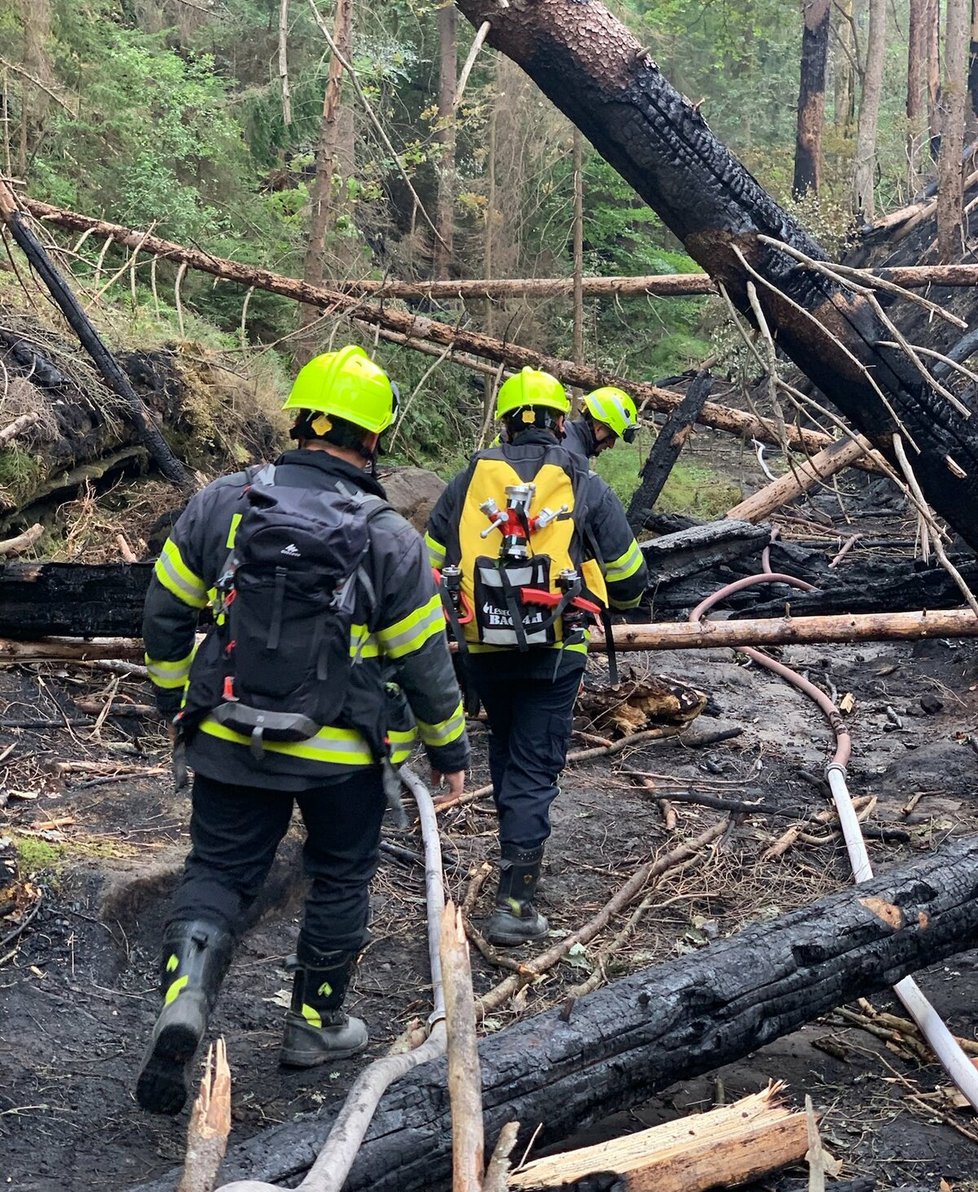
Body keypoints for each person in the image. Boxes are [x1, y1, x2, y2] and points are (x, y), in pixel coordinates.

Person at [137, 345, 469, 1115]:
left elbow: (163, 614)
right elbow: (424, 661)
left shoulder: (223, 501)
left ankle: (185, 998)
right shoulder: (390, 536)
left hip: (226, 734)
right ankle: (315, 1025)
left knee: (217, 871)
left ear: (299, 418)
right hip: (343, 755)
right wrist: (449, 747)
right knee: (341, 875)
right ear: (373, 438)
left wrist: (170, 700)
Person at [424, 367, 647, 947]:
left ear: (505, 420)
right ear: (557, 420)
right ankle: (515, 906)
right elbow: (629, 579)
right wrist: (608, 596)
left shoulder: (469, 477)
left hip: (480, 647)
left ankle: (512, 862)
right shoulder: (583, 480)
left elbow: (424, 560)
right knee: (533, 765)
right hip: (554, 652)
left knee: (504, 744)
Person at [562, 386, 639, 461]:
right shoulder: (575, 462)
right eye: (612, 437)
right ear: (599, 429)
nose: (611, 445)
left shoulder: (562, 431)